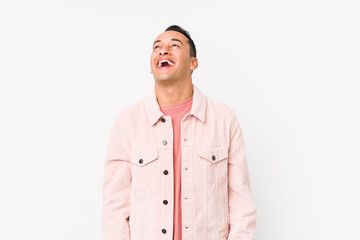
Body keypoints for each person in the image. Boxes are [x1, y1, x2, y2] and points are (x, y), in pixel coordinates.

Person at [102, 25, 256, 240]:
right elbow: (115, 209)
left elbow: (242, 207)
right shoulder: (127, 122)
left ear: (193, 62)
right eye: (157, 47)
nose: (163, 50)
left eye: (174, 45)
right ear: (151, 65)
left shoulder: (223, 119)